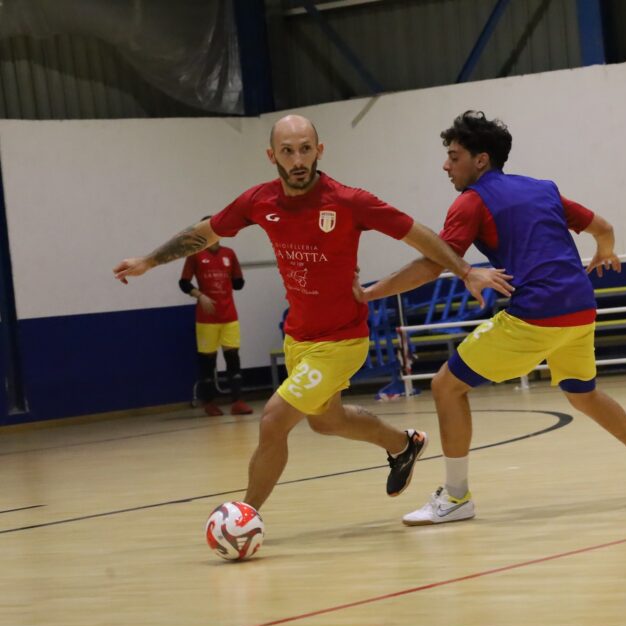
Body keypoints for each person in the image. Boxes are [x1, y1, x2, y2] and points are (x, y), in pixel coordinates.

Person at [113, 114, 513, 512]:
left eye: (306, 149)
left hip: (342, 340)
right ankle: (403, 444)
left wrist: (464, 270)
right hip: (299, 338)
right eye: (288, 151)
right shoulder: (258, 201)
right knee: (326, 421)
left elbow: (419, 234)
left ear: (319, 150)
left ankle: (244, 516)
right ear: (273, 156)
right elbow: (205, 232)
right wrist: (150, 260)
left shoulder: (349, 201)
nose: (298, 159)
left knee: (273, 419)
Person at [360, 111, 626, 526]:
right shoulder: (542, 188)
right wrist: (605, 248)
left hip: (537, 313)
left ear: (481, 160)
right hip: (580, 309)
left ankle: (456, 497)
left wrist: (369, 294)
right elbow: (603, 227)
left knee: (446, 386)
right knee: (583, 393)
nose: (445, 166)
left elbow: (432, 264)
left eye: (453, 156)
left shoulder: (470, 201)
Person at [179, 228, 253, 416]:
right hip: (206, 318)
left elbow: (239, 283)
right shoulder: (195, 255)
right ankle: (209, 403)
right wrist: (200, 295)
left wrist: (234, 277)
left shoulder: (229, 254)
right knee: (207, 361)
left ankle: (238, 401)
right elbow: (184, 282)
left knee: (233, 358)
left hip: (229, 316)